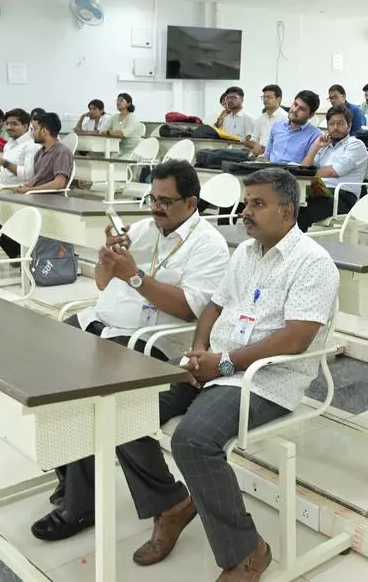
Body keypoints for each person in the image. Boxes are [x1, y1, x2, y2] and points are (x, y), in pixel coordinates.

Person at [34, 166, 339, 582]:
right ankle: (172, 505)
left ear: (287, 211)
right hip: (214, 363)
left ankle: (247, 551)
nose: (246, 212)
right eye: (247, 203)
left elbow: (297, 338)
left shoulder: (313, 263)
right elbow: (212, 307)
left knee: (192, 440)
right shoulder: (247, 253)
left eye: (258, 204)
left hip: (266, 378)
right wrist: (199, 349)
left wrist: (225, 362)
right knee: (124, 409)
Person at [34, 159, 231, 539]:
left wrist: (135, 276)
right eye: (152, 198)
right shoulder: (143, 229)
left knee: (94, 403)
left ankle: (82, 501)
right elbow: (103, 284)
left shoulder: (209, 246)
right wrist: (108, 257)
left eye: (166, 201)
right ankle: (75, 477)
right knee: (55, 383)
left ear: (191, 203)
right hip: (107, 329)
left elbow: (191, 308)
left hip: (155, 347)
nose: (156, 207)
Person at [0, 112, 75, 260]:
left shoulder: (62, 152)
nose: (32, 133)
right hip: (33, 196)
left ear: (45, 131)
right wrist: (24, 187)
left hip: (48, 200)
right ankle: (19, 256)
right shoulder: (40, 153)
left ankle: (22, 256)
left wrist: (30, 190)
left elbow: (59, 183)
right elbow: (36, 179)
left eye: (34, 129)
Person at [299, 105, 368, 231]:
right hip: (319, 191)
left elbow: (335, 171)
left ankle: (295, 248)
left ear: (349, 124)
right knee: (287, 205)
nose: (335, 127)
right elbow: (304, 168)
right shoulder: (325, 146)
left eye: (340, 123)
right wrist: (316, 147)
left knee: (301, 213)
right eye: (331, 124)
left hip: (343, 197)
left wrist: (309, 174)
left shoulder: (355, 145)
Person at [262, 90, 322, 164]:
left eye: (302, 109)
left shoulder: (315, 136)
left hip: (295, 174)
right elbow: (267, 157)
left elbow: (308, 167)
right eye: (295, 104)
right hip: (270, 171)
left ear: (311, 115)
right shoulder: (277, 126)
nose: (295, 110)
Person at [0, 108, 40, 189]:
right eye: (7, 124)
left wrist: (5, 163)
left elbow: (28, 176)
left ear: (25, 126)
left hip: (19, 193)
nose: (9, 127)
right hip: (2, 189)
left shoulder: (31, 146)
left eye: (14, 124)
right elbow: (6, 172)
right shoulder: (8, 145)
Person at [250, 84, 288, 158]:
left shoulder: (285, 118)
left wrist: (266, 149)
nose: (265, 100)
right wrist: (256, 146)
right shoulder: (261, 118)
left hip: (274, 158)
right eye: (264, 97)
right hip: (257, 157)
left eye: (269, 97)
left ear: (278, 99)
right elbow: (253, 139)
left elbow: (285, 145)